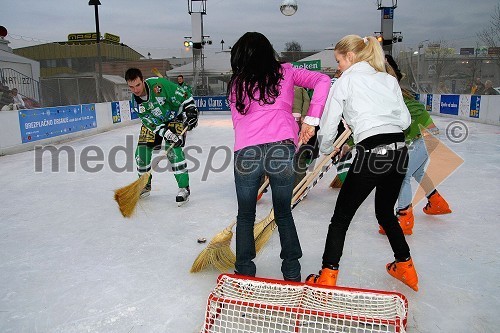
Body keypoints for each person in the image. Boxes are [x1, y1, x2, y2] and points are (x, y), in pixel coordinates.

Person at [306, 35, 418, 291]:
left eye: (339, 60)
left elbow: (328, 123)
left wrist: (325, 148)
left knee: (341, 218)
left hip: (373, 155)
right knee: (385, 213)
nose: (338, 67)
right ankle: (406, 268)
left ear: (351, 56)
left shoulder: (346, 81)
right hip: (400, 152)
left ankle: (327, 276)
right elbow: (405, 122)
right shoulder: (389, 79)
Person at [228, 32, 330, 282]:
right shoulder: (286, 71)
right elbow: (323, 80)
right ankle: (292, 272)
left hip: (247, 152)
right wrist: (311, 120)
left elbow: (237, 122)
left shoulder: (237, 83)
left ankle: (244, 271)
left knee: (245, 215)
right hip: (280, 149)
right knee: (283, 212)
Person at [380, 54, 452, 236]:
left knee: (402, 173)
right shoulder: (393, 93)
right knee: (417, 171)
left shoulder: (395, 95)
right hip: (427, 136)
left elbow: (408, 120)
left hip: (427, 137)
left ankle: (404, 219)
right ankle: (437, 202)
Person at [125, 68, 199, 206]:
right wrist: (166, 133)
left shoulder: (159, 85)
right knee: (141, 152)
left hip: (174, 117)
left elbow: (184, 95)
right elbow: (151, 124)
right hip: (157, 124)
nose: (135, 90)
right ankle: (144, 185)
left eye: (138, 85)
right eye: (131, 87)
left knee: (173, 150)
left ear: (142, 80)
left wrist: (191, 110)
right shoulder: (136, 104)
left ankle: (184, 188)